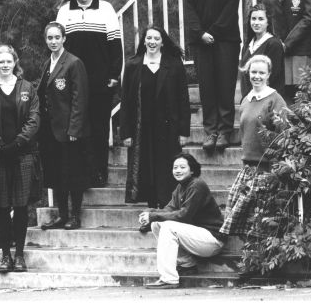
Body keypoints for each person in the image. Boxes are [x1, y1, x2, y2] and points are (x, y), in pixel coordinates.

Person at [0, 44, 41, 273]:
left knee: (21, 207)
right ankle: (5, 257)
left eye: (8, 61)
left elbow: (34, 119)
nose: (5, 65)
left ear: (15, 63)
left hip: (22, 154)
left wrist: (18, 143)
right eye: (0, 62)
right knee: (2, 208)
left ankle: (20, 256)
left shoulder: (27, 88)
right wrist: (0, 144)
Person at [56, 0, 123, 187]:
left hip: (100, 81)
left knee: (100, 128)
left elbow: (115, 44)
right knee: (77, 128)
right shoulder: (65, 11)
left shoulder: (106, 9)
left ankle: (99, 174)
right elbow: (58, 47)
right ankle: (82, 175)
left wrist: (114, 74)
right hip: (73, 81)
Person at [120, 25, 190, 215]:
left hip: (168, 128)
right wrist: (125, 132)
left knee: (167, 169)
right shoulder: (134, 64)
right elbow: (125, 101)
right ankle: (151, 213)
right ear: (144, 41)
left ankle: (168, 211)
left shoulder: (174, 64)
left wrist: (184, 131)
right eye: (149, 38)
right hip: (142, 129)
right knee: (146, 171)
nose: (152, 42)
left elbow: (183, 99)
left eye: (156, 39)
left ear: (162, 42)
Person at [219, 55, 287, 239]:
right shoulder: (246, 100)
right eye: (253, 72)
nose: (257, 76)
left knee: (262, 223)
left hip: (267, 169)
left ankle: (264, 265)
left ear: (268, 74)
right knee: (240, 217)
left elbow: (285, 132)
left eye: (261, 73)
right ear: (248, 73)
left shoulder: (275, 99)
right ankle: (250, 262)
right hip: (248, 168)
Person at [185, 0, 241, 151]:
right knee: (207, 86)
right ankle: (211, 132)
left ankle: (225, 131)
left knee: (225, 85)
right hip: (201, 42)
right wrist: (200, 34)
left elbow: (231, 5)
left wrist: (214, 32)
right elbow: (189, 8)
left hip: (225, 39)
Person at [140, 153, 226, 289]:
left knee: (167, 227)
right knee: (157, 225)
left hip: (212, 240)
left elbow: (184, 216)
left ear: (192, 170)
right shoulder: (181, 187)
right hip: (197, 238)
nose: (178, 170)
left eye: (182, 167)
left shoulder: (197, 185)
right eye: (175, 167)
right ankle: (187, 264)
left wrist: (153, 215)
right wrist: (151, 214)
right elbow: (168, 209)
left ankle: (169, 279)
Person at [37, 22, 90, 231]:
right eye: (49, 38)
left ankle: (75, 216)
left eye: (57, 37)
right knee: (57, 174)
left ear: (64, 38)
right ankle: (62, 215)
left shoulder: (73, 63)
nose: (53, 41)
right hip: (51, 131)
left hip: (69, 131)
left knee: (73, 175)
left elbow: (80, 99)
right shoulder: (47, 63)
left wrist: (74, 129)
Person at [239, 3, 285, 100]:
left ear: (268, 22)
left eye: (261, 19)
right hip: (248, 100)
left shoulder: (273, 44)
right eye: (253, 19)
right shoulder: (247, 45)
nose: (256, 22)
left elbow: (273, 77)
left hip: (266, 101)